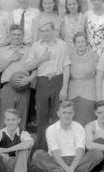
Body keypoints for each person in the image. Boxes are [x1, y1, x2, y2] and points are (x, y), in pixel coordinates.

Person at [32, 100, 104, 172]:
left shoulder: (79, 128)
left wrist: (70, 169)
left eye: (69, 113)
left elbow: (80, 153)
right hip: (58, 160)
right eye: (64, 113)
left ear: (73, 114)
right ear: (58, 114)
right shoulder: (51, 129)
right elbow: (55, 154)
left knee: (97, 153)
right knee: (37, 155)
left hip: (76, 160)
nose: (67, 115)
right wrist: (68, 170)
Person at [25, 20, 71, 151]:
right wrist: (42, 58)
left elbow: (66, 65)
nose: (45, 33)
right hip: (42, 82)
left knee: (58, 115)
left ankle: (59, 149)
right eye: (42, 31)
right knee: (41, 116)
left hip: (58, 80)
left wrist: (64, 88)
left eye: (47, 30)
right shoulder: (36, 46)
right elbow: (28, 66)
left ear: (53, 31)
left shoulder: (62, 45)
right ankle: (41, 148)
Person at [0, 25, 35, 131]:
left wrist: (29, 79)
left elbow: (36, 68)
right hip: (8, 87)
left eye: (19, 34)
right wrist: (11, 59)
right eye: (14, 34)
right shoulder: (2, 50)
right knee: (6, 118)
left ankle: (20, 145)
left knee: (21, 118)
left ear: (23, 36)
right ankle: (3, 144)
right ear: (9, 36)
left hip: (24, 86)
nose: (16, 37)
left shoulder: (30, 50)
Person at [68, 32, 98, 127]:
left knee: (88, 120)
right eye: (78, 42)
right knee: (75, 121)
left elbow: (98, 75)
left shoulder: (94, 55)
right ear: (74, 44)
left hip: (89, 91)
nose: (80, 44)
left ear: (86, 42)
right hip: (73, 92)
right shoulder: (69, 56)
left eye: (82, 41)